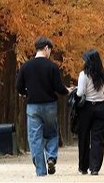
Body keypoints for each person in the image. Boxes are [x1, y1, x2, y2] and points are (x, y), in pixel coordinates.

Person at [15, 36, 71, 177]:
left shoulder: (26, 66)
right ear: (46, 48)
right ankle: (51, 157)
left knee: (35, 139)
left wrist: (26, 92)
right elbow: (59, 87)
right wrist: (67, 90)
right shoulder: (52, 66)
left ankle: (40, 171)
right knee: (52, 133)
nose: (50, 53)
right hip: (49, 106)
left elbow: (19, 87)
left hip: (33, 106)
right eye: (50, 50)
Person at [76, 49, 104, 175]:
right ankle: (95, 167)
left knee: (84, 137)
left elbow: (80, 93)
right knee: (97, 138)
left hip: (86, 108)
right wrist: (101, 99)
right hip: (100, 107)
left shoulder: (83, 75)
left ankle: (83, 166)